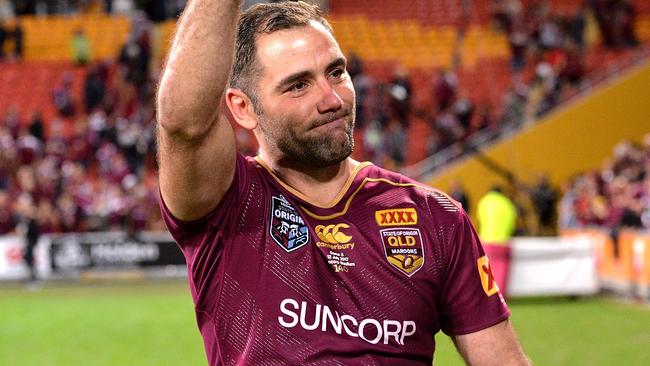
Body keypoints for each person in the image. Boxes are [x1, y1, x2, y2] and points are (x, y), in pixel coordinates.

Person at [156, 1, 530, 365]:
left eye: (336, 72)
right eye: (298, 85)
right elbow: (185, 124)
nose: (331, 99)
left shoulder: (435, 217)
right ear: (243, 107)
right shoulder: (228, 204)